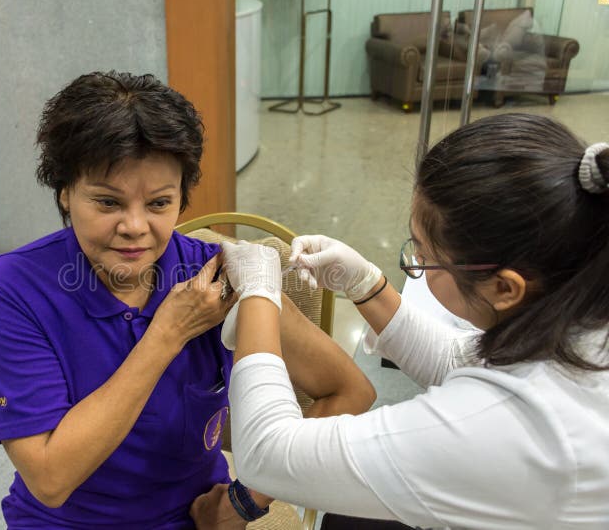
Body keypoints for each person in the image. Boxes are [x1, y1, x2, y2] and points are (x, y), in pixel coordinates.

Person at [0, 70, 375, 529]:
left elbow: (350, 392)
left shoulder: (222, 278)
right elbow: (49, 479)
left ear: (182, 199)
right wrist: (168, 331)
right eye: (107, 203)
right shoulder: (13, 288)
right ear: (65, 194)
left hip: (191, 518)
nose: (135, 227)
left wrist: (243, 502)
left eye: (159, 203)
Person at [220, 113, 609, 529]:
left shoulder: (505, 426)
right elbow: (461, 361)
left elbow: (267, 455)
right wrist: (365, 284)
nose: (416, 263)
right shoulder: (582, 294)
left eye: (425, 256)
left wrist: (260, 294)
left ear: (505, 288)